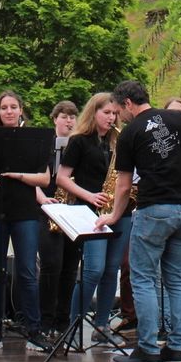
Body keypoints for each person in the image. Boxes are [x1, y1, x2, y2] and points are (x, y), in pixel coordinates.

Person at [97, 80, 181, 362]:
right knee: (179, 279)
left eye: (119, 110)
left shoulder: (130, 132)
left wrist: (112, 215)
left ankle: (147, 348)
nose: (119, 116)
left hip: (155, 209)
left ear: (128, 104)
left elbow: (123, 186)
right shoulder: (180, 117)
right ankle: (176, 348)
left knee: (144, 279)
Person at [0, 90, 51, 353]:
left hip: (26, 211)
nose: (8, 111)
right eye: (4, 107)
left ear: (21, 110)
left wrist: (16, 174)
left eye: (13, 107)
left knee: (28, 271)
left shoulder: (33, 139)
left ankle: (34, 330)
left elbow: (44, 179)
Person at [57, 93, 129, 344]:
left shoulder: (119, 140)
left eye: (114, 114)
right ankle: (74, 324)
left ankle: (102, 326)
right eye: (106, 113)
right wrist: (90, 195)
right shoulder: (79, 141)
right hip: (91, 211)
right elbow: (62, 178)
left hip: (120, 210)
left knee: (111, 271)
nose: (111, 118)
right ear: (94, 112)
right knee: (94, 270)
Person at [38, 100, 80, 341]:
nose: (68, 120)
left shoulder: (79, 145)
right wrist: (44, 200)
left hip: (73, 210)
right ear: (55, 119)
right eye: (64, 116)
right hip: (49, 208)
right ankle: (46, 319)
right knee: (51, 264)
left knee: (70, 266)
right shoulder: (44, 144)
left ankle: (63, 320)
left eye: (72, 116)